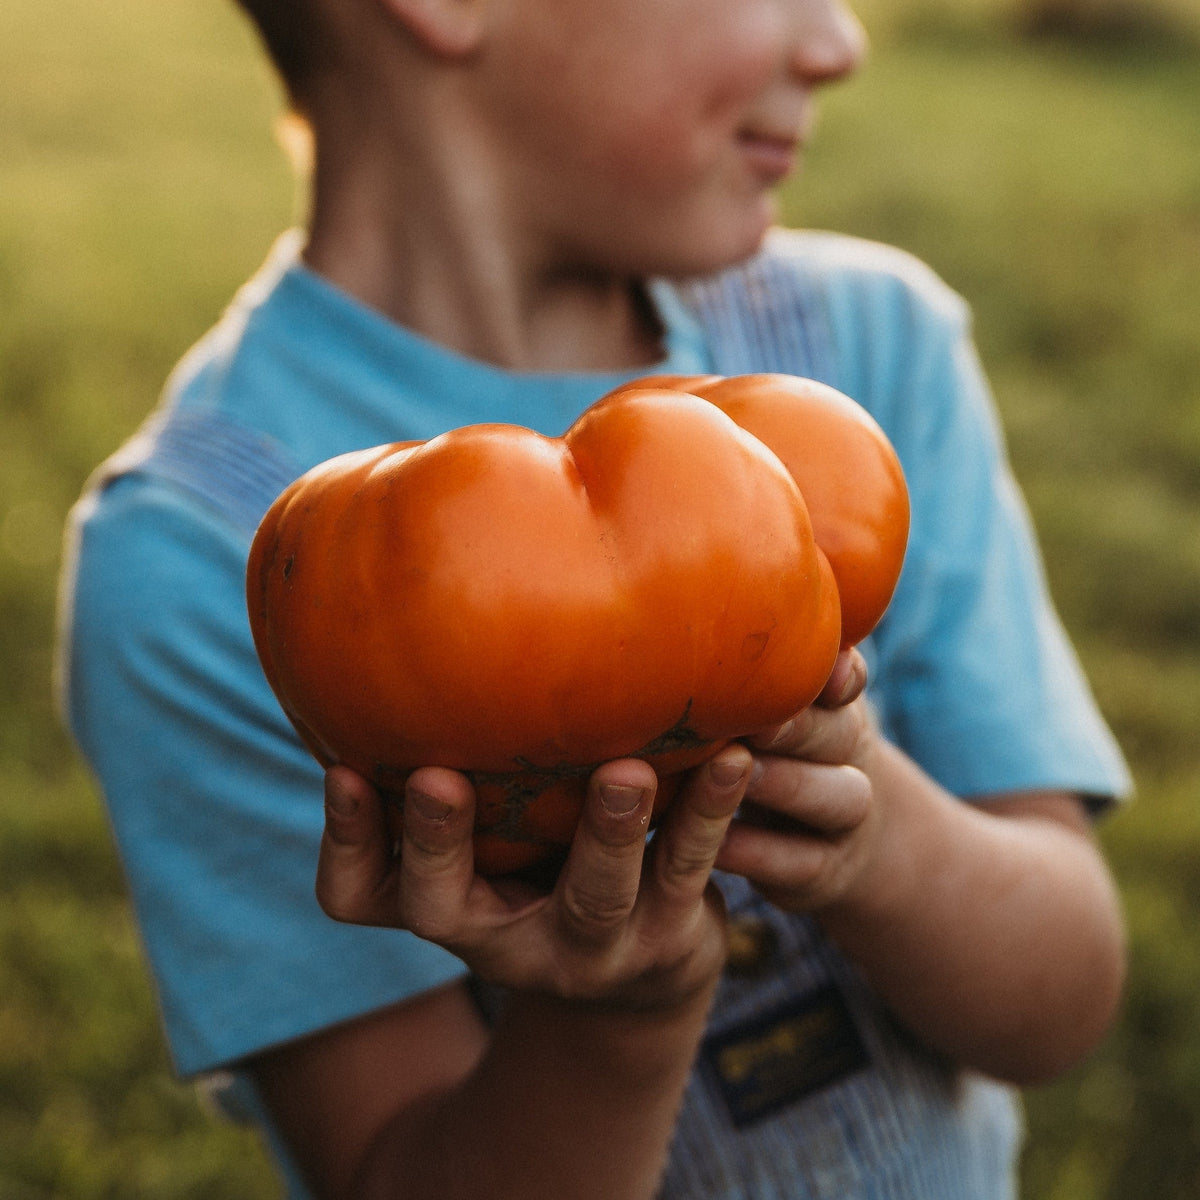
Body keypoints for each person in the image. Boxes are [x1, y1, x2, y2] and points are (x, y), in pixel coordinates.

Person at [57, 0, 1133, 1196]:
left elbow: (1063, 1005)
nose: (839, 42)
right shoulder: (202, 552)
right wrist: (617, 1007)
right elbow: (391, 1167)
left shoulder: (866, 352)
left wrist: (867, 831)